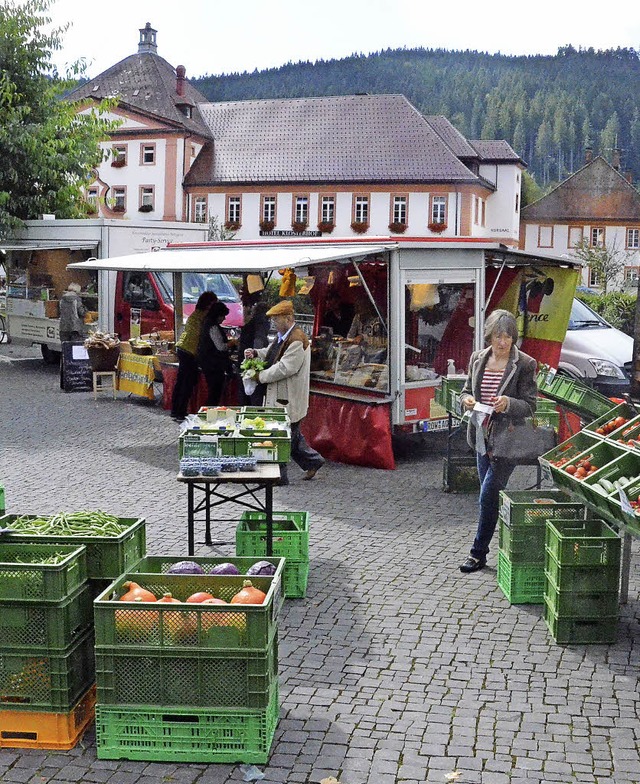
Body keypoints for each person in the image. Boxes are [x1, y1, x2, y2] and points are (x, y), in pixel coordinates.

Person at [458, 309, 537, 573]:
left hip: (508, 441)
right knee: (489, 497)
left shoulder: (525, 364)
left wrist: (508, 403)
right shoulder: (477, 358)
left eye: (507, 337)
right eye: (496, 336)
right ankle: (499, 538)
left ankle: (477, 553)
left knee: (488, 493)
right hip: (481, 436)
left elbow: (530, 405)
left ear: (514, 337)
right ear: (489, 336)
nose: (502, 343)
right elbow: (466, 390)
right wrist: (466, 400)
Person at [245, 299, 325, 485]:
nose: (274, 323)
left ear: (288, 318)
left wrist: (260, 376)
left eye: (276, 319)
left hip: (288, 397)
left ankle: (279, 476)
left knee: (279, 435)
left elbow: (284, 368)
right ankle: (313, 461)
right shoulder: (284, 336)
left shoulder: (297, 340)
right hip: (284, 396)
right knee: (291, 435)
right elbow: (272, 352)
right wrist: (257, 353)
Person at [170, 290, 218, 421]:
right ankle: (180, 411)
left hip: (183, 348)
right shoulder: (203, 317)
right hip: (189, 351)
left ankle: (176, 410)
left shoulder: (196, 314)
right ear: (209, 304)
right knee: (186, 382)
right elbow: (204, 338)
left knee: (181, 381)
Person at [197, 300, 233, 406]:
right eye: (223, 316)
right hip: (213, 365)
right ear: (218, 315)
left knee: (213, 391)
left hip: (207, 362)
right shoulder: (213, 327)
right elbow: (221, 347)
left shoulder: (206, 323)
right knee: (214, 392)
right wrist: (232, 343)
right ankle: (209, 412)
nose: (224, 318)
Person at [238, 300, 270, 405]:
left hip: (243, 363)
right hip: (252, 367)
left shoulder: (250, 324)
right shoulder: (262, 324)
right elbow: (258, 342)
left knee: (244, 397)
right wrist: (256, 363)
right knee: (254, 399)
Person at [346, 296, 387, 363]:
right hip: (360, 353)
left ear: (367, 307)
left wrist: (363, 337)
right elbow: (350, 335)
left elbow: (378, 338)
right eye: (356, 306)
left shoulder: (376, 319)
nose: (357, 309)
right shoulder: (357, 317)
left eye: (360, 306)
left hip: (376, 354)